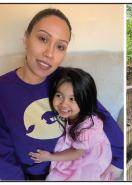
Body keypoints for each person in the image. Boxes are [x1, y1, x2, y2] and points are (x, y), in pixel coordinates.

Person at [0, 8, 123, 180]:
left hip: (75, 171)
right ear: (26, 38)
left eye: (60, 46)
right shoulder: (3, 89)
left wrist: (119, 160)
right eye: (43, 39)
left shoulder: (67, 80)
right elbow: (3, 154)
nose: (49, 53)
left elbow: (101, 116)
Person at [29, 67, 112, 181]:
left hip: (86, 159)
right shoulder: (69, 114)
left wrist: (49, 157)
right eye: (59, 96)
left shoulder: (88, 127)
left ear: (85, 100)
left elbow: (78, 153)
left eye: (72, 99)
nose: (63, 104)